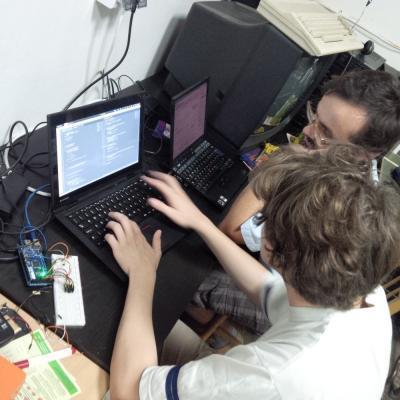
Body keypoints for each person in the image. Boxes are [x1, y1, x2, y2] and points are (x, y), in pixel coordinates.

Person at [106, 145, 400, 400]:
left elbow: (128, 393)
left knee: (108, 359)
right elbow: (268, 289)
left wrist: (143, 275)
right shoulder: (362, 288)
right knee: (155, 324)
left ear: (269, 243)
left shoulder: (274, 374)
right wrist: (200, 222)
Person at [192, 69, 400, 334]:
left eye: (325, 132)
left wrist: (286, 160)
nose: (306, 130)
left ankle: (202, 317)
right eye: (315, 116)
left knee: (189, 278)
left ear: (365, 154)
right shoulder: (349, 164)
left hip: (298, 309)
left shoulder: (335, 204)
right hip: (288, 280)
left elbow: (233, 229)